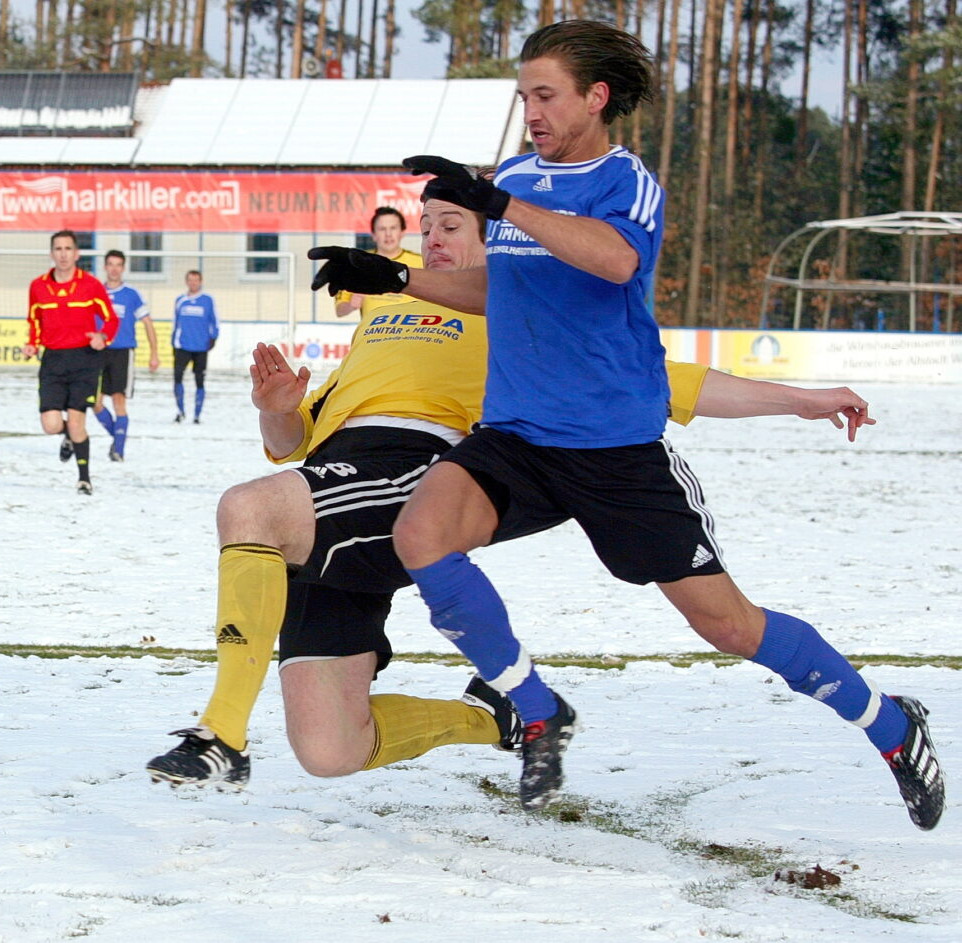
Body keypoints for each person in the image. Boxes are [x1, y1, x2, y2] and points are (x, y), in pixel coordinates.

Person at [310, 20, 942, 829]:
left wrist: (501, 203)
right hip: (518, 440)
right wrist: (395, 278)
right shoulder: (515, 177)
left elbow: (613, 260)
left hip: (617, 454)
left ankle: (891, 725)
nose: (532, 113)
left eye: (546, 96)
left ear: (595, 97)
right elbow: (504, 289)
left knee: (729, 625)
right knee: (421, 534)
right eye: (525, 98)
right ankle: (535, 710)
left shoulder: (624, 180)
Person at [146, 189, 877, 791]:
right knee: (330, 749)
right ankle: (496, 715)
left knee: (247, 506)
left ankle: (222, 735)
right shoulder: (382, 304)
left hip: (414, 474)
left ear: (492, 235)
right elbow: (292, 443)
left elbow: (672, 382)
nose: (431, 238)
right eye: (424, 226)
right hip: (327, 491)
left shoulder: (523, 307)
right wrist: (277, 409)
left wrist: (802, 400)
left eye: (450, 225)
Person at [22, 230, 119, 495]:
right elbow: (34, 320)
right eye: (58, 249)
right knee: (50, 425)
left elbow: (111, 319)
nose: (63, 254)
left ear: (76, 254)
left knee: (77, 423)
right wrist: (32, 343)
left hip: (84, 359)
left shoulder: (90, 285)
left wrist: (103, 337)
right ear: (51, 253)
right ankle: (67, 435)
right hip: (53, 360)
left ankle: (84, 479)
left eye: (68, 249)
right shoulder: (38, 286)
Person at [92, 249, 160, 461]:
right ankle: (118, 438)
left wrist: (154, 353)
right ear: (105, 267)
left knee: (119, 401)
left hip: (122, 353)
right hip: (97, 352)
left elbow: (148, 323)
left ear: (123, 268)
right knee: (94, 401)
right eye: (110, 264)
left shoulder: (131, 295)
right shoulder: (94, 292)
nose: (114, 269)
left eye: (118, 265)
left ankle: (118, 451)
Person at [334, 207, 423, 319]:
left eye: (393, 228)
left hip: (409, 329)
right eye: (382, 229)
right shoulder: (357, 263)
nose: (388, 234)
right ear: (373, 235)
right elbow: (339, 310)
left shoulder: (421, 263)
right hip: (372, 329)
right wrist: (350, 305)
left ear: (402, 232)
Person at [172, 270, 219, 424]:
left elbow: (214, 320)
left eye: (196, 280)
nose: (193, 283)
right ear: (186, 281)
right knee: (177, 377)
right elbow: (175, 322)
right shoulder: (180, 300)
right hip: (182, 346)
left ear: (200, 281)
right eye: (190, 280)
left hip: (201, 347)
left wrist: (214, 337)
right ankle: (180, 411)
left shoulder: (207, 300)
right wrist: (173, 341)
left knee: (199, 380)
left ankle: (197, 415)